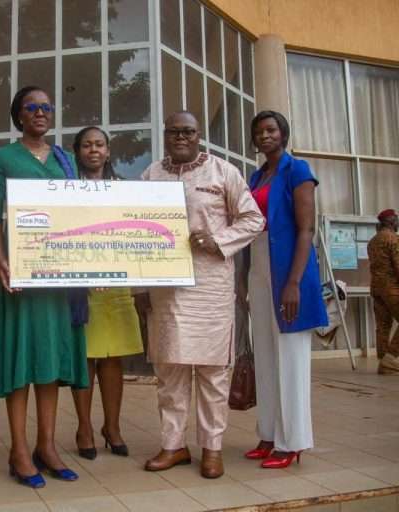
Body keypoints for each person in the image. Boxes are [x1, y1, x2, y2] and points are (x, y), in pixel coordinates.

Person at [140, 111, 264, 479]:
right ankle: (173, 445)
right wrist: (139, 287)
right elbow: (136, 231)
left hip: (210, 288)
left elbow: (253, 219)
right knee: (170, 371)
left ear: (198, 136)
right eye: (174, 132)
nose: (181, 137)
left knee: (212, 373)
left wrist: (217, 241)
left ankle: (212, 448)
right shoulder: (151, 175)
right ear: (165, 135)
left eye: (188, 131)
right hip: (164, 289)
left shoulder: (223, 172)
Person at [0, 85, 88, 488]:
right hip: (21, 272)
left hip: (58, 276)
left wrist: (92, 268)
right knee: (21, 358)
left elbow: (79, 215)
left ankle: (47, 446)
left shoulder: (66, 160)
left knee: (49, 361)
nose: (40, 112)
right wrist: (2, 261)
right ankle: (20, 450)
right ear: (19, 116)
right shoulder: (3, 158)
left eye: (46, 107)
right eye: (32, 107)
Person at [245, 110, 328, 469]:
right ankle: (268, 433)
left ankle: (292, 442)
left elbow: (306, 229)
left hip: (289, 268)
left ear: (283, 133)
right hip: (259, 264)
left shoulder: (298, 170)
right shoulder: (256, 175)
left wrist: (292, 283)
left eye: (271, 130)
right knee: (265, 354)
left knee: (290, 357)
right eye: (259, 131)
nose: (265, 135)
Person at [70, 126, 144, 460]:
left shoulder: (123, 190)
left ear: (108, 151)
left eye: (99, 144)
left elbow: (133, 234)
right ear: (78, 151)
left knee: (114, 356)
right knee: (85, 356)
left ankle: (112, 427)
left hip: (116, 281)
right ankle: (84, 427)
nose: (93, 150)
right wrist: (84, 273)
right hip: (79, 282)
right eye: (86, 145)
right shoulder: (66, 189)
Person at [367, 208, 399, 375]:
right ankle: (390, 358)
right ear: (391, 222)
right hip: (392, 289)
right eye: (397, 219)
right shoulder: (393, 239)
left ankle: (383, 362)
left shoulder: (372, 241)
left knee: (383, 326)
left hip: (376, 289)